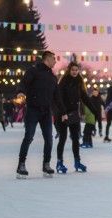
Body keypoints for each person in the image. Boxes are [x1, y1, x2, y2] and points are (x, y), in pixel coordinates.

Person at [15, 51, 65, 179]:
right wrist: (21, 92)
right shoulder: (33, 71)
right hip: (33, 109)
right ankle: (21, 164)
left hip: (46, 111)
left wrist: (63, 112)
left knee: (49, 138)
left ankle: (46, 164)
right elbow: (24, 83)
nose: (55, 61)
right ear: (47, 59)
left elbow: (57, 97)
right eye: (53, 59)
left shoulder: (53, 77)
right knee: (29, 136)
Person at [55, 61, 97, 173]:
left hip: (73, 114)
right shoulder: (63, 82)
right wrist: (63, 113)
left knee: (75, 139)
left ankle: (77, 162)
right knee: (63, 139)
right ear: (69, 70)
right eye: (73, 70)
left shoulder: (79, 82)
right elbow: (59, 99)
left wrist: (94, 110)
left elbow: (84, 97)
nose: (74, 72)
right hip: (62, 114)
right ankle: (59, 162)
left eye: (76, 70)